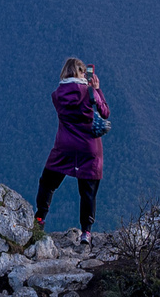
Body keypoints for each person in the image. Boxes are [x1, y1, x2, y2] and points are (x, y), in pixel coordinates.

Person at [35, 57, 109, 241]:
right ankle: (86, 232)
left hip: (65, 146)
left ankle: (40, 218)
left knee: (47, 183)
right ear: (80, 73)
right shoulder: (90, 92)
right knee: (87, 191)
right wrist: (97, 88)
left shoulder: (57, 95)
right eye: (84, 71)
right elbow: (105, 112)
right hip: (89, 147)